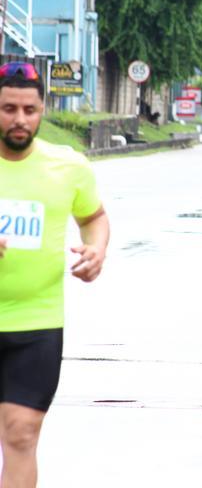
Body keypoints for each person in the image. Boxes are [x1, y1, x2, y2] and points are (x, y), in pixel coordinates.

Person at [0, 61, 110, 487]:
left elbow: (94, 218)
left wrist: (96, 249)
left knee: (21, 434)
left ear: (42, 109)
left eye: (29, 110)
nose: (20, 119)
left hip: (37, 323)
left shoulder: (67, 166)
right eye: (9, 109)